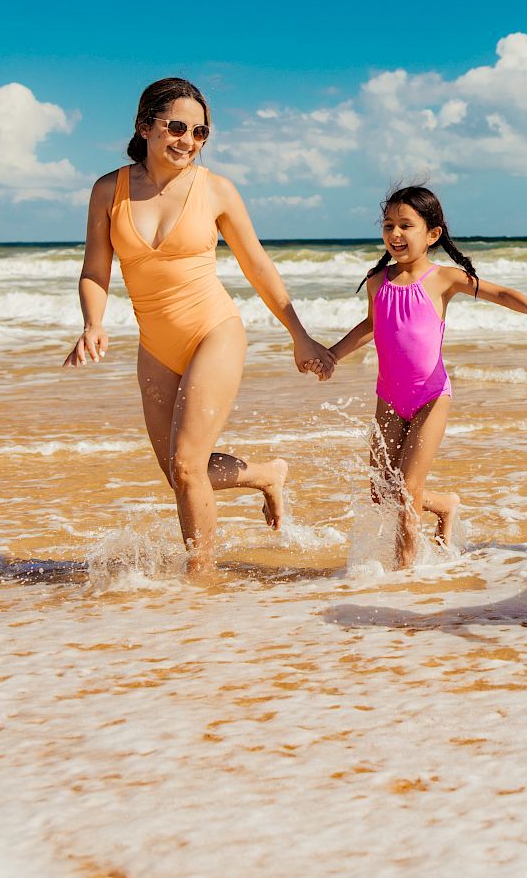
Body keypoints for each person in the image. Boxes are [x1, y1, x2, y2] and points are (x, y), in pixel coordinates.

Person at [64, 77, 335, 578]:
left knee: (188, 465)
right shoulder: (110, 190)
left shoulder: (217, 190)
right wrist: (93, 323)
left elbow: (257, 266)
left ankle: (201, 577)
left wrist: (299, 333)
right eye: (177, 127)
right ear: (146, 126)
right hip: (156, 346)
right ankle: (265, 474)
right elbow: (94, 269)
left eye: (200, 131)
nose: (188, 140)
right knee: (178, 472)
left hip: (215, 330)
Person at [324, 186, 527, 568]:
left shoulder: (444, 280)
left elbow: (498, 292)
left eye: (406, 225)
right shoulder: (377, 282)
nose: (395, 234)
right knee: (380, 491)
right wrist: (332, 355)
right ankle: (445, 505)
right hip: (388, 397)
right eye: (389, 225)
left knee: (405, 491)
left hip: (431, 397)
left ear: (432, 234)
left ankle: (404, 576)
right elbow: (370, 325)